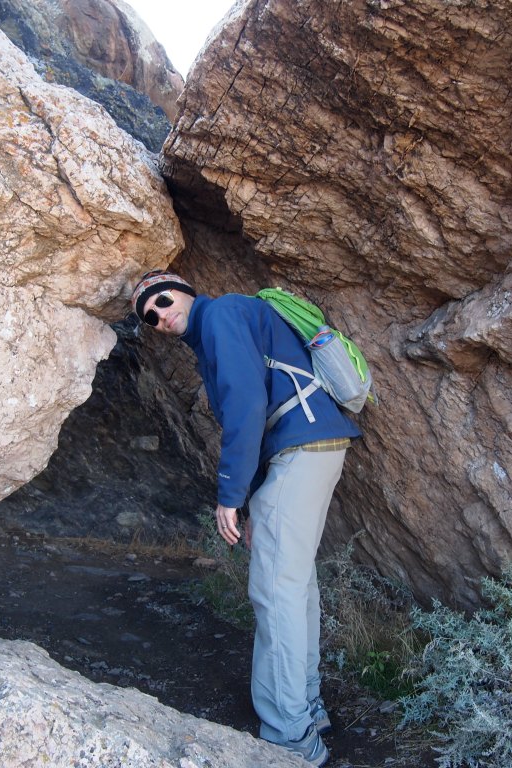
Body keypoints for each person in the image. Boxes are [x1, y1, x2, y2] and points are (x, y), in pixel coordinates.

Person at [131, 270, 361, 766]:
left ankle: (290, 738)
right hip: (313, 446)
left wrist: (230, 495)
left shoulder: (220, 314)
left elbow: (247, 405)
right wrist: (255, 500)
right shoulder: (221, 324)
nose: (160, 316)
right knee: (294, 584)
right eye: (149, 318)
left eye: (163, 301)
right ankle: (307, 708)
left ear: (184, 290)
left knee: (275, 590)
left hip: (298, 448)